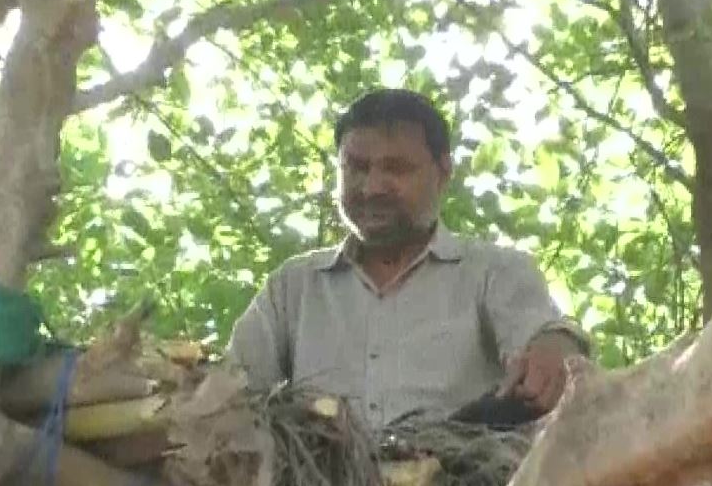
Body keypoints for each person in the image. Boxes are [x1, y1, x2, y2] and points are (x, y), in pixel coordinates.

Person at [226, 88, 588, 430]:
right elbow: (227, 395)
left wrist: (557, 347)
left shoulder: (494, 272)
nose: (372, 187)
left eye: (395, 169)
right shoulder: (294, 286)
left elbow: (549, 348)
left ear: (443, 172)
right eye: (356, 167)